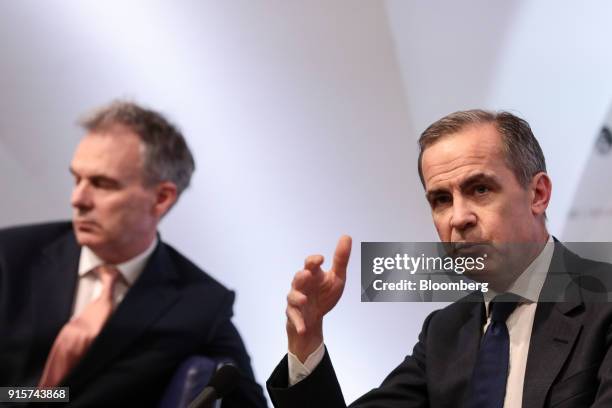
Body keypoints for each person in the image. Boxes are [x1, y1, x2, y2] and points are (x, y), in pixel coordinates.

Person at [267, 110, 612, 407]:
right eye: (442, 200)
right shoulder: (445, 332)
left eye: (480, 189)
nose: (458, 218)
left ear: (538, 194)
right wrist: (306, 339)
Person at [0, 101, 267, 407]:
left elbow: (250, 403)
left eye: (102, 184)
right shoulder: (11, 257)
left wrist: (302, 346)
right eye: (77, 179)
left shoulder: (199, 302)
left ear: (161, 198)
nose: (78, 198)